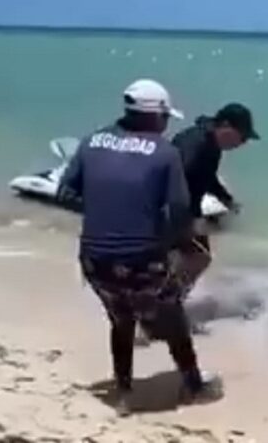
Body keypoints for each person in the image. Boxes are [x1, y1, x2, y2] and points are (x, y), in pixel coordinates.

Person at [58, 79, 221, 416]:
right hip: (141, 259)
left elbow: (65, 193)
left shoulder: (91, 142)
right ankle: (193, 385)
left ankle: (123, 387)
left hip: (94, 259)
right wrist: (164, 240)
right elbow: (178, 210)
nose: (166, 124)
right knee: (173, 317)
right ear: (153, 116)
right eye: (165, 117)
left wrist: (106, 212)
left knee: (120, 320)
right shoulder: (165, 153)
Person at [137, 102, 260, 342]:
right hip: (165, 212)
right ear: (225, 126)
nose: (243, 143)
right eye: (242, 136)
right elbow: (172, 180)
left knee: (192, 260)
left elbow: (207, 176)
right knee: (193, 259)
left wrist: (226, 198)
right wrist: (185, 221)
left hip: (177, 213)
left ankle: (163, 313)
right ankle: (158, 317)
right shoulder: (196, 145)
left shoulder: (209, 143)